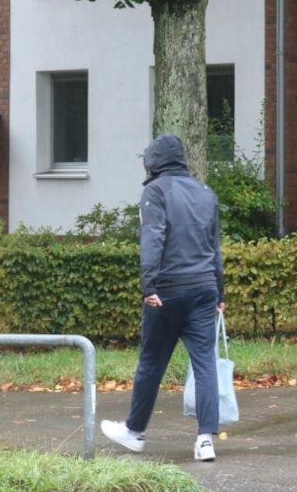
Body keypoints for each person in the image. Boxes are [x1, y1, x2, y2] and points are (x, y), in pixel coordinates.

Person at [100, 134, 225, 462]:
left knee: (152, 362)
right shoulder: (206, 192)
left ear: (153, 161)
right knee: (205, 364)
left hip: (168, 292)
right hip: (204, 290)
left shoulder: (155, 191)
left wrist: (148, 287)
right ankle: (205, 440)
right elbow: (215, 248)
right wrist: (219, 293)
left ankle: (135, 432)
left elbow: (152, 238)